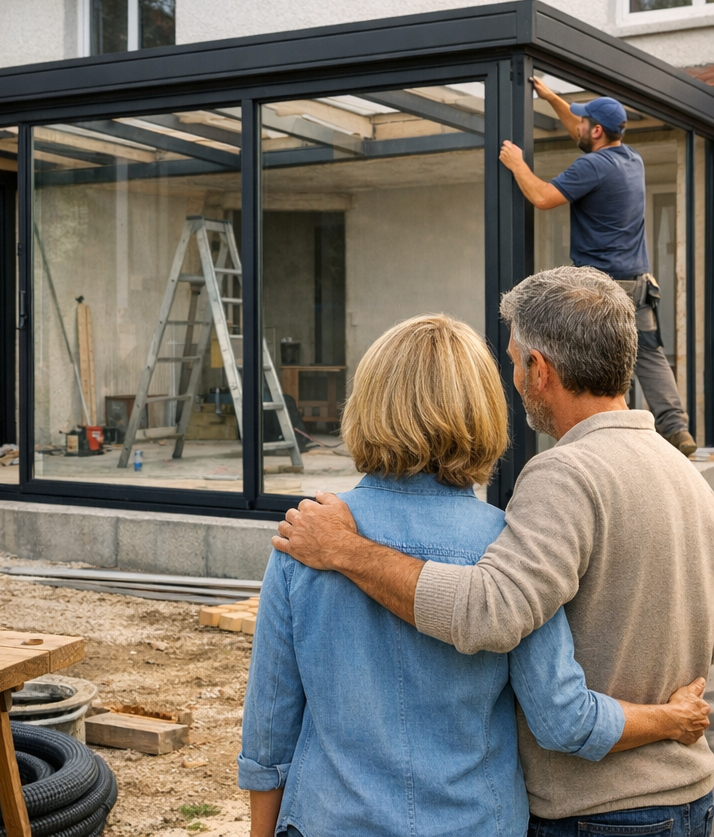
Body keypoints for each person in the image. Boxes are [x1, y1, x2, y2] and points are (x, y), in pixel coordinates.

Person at [274, 268, 714, 835]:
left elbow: (489, 614)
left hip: (600, 811)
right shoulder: (688, 477)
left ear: (540, 369)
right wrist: (677, 718)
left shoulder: (566, 474)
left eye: (513, 360)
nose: (511, 378)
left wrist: (347, 550)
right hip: (691, 797)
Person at [499, 78, 695, 455]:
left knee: (590, 363)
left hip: (602, 290)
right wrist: (554, 98)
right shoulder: (630, 159)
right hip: (639, 285)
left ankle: (597, 439)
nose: (579, 126)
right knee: (648, 356)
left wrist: (517, 164)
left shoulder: (592, 166)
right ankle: (676, 429)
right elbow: (580, 125)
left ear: (598, 131)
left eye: (586, 122)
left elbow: (541, 196)